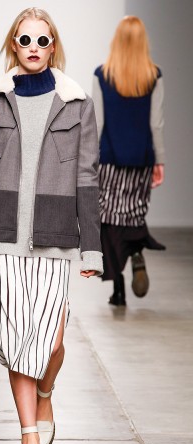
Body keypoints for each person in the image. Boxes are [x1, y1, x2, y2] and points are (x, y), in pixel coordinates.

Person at [0, 7, 102, 444]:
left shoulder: (77, 103)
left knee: (50, 341)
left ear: (53, 46)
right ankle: (29, 440)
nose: (34, 48)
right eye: (25, 40)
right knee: (16, 338)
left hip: (55, 235)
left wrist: (92, 245)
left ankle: (46, 392)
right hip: (1, 236)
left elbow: (87, 177)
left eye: (42, 40)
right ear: (14, 44)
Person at [92, 15, 165, 307]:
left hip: (109, 160)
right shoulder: (153, 76)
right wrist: (160, 161)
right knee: (133, 214)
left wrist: (89, 159)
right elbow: (156, 123)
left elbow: (97, 123)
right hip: (141, 160)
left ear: (117, 40)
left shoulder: (103, 75)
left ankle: (118, 289)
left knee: (108, 218)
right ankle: (136, 253)